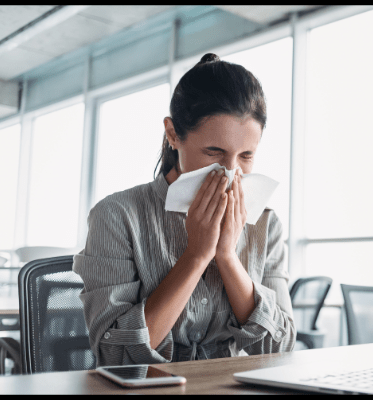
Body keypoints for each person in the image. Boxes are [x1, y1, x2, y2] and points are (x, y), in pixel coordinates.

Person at [74, 53, 296, 366]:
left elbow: (280, 348)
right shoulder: (118, 216)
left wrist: (227, 258)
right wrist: (197, 255)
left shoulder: (265, 224)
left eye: (246, 156)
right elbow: (116, 355)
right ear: (173, 134)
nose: (230, 172)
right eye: (214, 152)